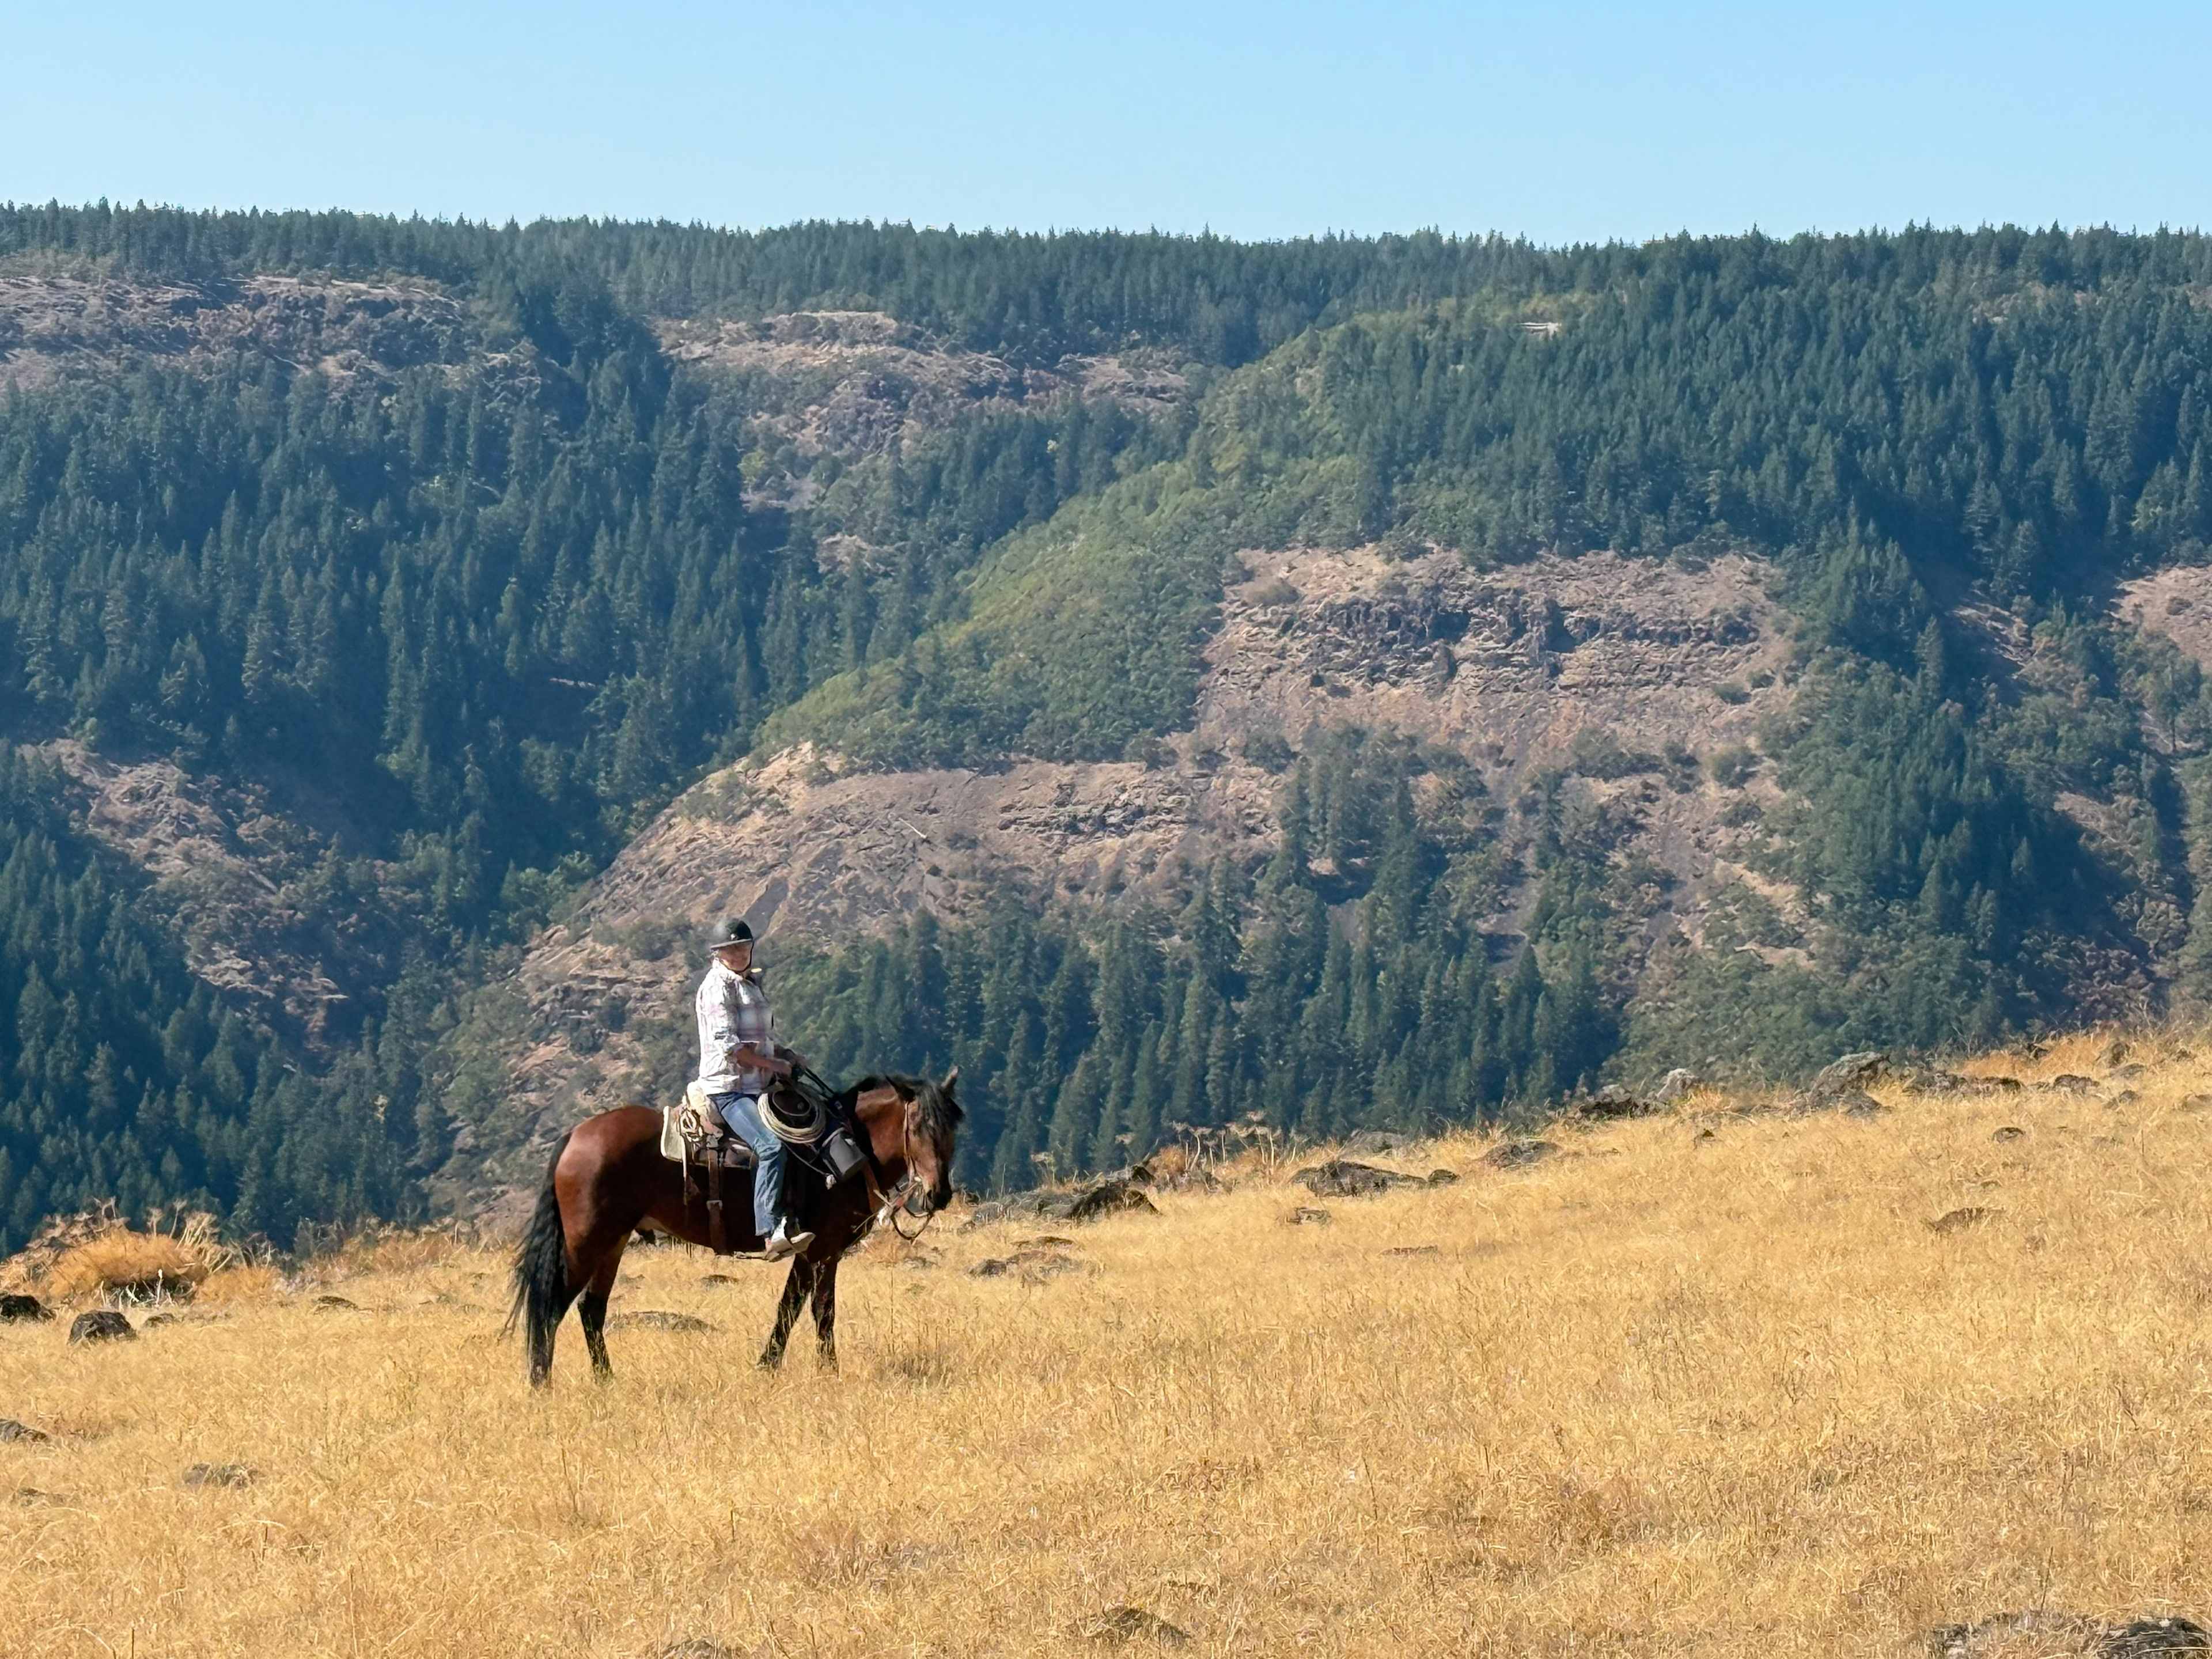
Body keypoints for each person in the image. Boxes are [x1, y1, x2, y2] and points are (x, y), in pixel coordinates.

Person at [695, 918, 816, 1260]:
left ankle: (797, 1214)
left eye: (742, 947)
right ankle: (770, 1231)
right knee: (770, 1146)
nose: (737, 954)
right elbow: (733, 1049)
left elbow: (759, 1041)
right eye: (729, 949)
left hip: (759, 1086)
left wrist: (786, 1055)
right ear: (717, 954)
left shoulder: (749, 983)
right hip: (730, 1089)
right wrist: (776, 1066)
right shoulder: (717, 988)